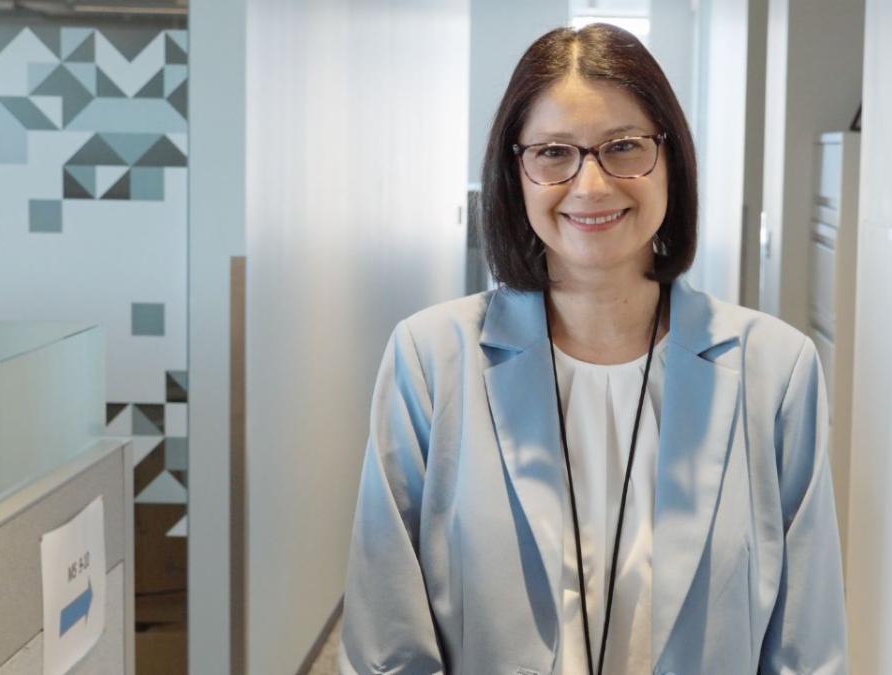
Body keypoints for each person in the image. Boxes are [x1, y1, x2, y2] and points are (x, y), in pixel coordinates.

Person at [338, 23, 847, 675]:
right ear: (513, 171)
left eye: (624, 147)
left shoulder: (776, 371)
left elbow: (807, 649)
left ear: (671, 159)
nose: (593, 185)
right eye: (554, 153)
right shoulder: (429, 360)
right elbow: (386, 644)